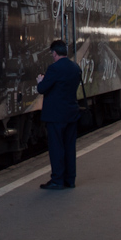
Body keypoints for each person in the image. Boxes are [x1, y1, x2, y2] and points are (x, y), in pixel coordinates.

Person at [36, 39, 82, 190]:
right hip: (71, 113)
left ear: (54, 53)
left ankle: (57, 180)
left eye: (52, 54)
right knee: (69, 147)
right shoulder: (75, 67)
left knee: (56, 148)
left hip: (56, 116)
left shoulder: (54, 69)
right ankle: (70, 179)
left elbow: (42, 89)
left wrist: (40, 81)